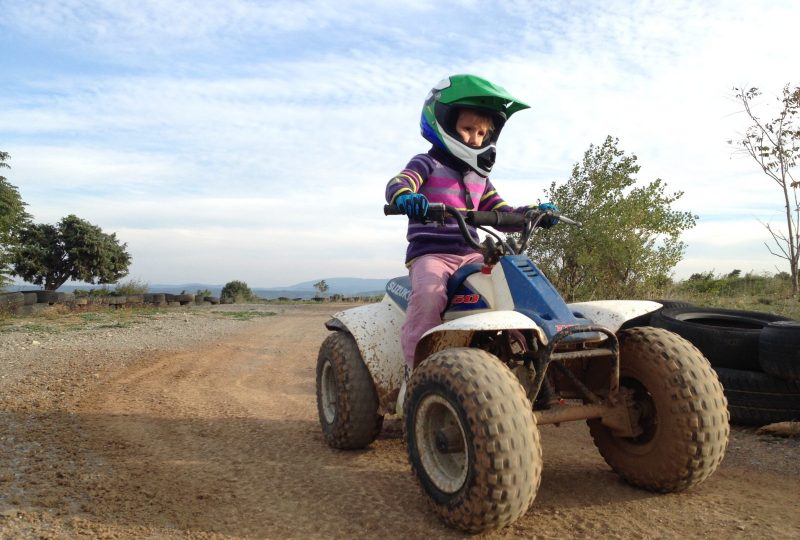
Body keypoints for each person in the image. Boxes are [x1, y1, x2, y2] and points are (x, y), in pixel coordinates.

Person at [385, 73, 559, 382]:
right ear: (444, 123)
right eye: (467, 129)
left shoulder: (480, 179)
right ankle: (418, 375)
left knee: (510, 288)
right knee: (428, 296)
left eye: (482, 133)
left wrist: (533, 214)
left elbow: (501, 212)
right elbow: (399, 183)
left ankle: (530, 363)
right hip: (432, 255)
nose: (475, 139)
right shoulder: (426, 163)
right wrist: (407, 198)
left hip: (470, 255)